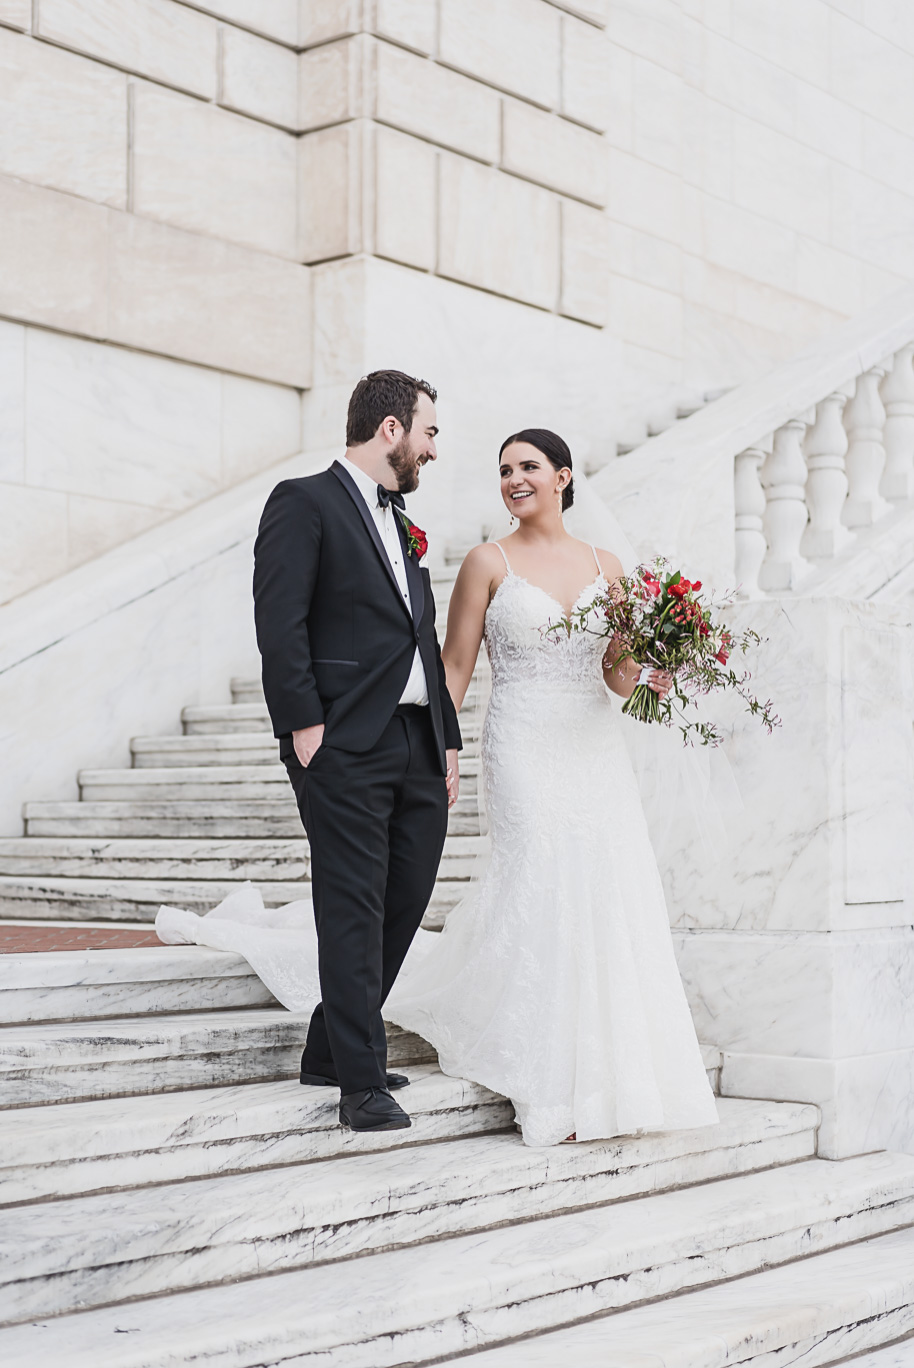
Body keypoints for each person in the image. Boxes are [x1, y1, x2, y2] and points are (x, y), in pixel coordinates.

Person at [383, 429, 719, 1146]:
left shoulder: (608, 565)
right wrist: (435, 741)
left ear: (564, 476)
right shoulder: (486, 561)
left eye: (528, 466)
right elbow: (455, 667)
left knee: (603, 887)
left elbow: (617, 675)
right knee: (540, 878)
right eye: (503, 469)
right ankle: (541, 1074)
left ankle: (607, 1074)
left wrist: (656, 674)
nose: (513, 479)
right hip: (524, 745)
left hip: (593, 747)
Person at [251, 370, 461, 1134]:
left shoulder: (401, 523)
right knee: (353, 904)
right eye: (430, 432)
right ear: (392, 430)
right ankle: (361, 1086)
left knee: (404, 899)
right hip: (341, 740)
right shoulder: (302, 502)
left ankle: (330, 1046)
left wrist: (445, 735)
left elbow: (422, 637)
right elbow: (280, 620)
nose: (435, 449)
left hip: (413, 738)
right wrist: (304, 724)